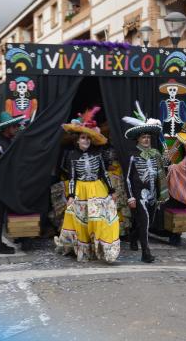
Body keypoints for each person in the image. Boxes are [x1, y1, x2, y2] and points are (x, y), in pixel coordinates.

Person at [55, 108, 120, 262]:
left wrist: (111, 191)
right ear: (77, 140)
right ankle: (85, 251)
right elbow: (72, 178)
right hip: (81, 190)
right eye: (83, 138)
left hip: (97, 188)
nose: (86, 141)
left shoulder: (97, 154)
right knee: (82, 222)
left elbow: (104, 173)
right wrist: (71, 195)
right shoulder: (72, 156)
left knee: (101, 219)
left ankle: (106, 251)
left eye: (88, 138)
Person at [122, 108, 166, 263]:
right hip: (140, 194)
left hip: (154, 193)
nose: (146, 139)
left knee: (146, 223)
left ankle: (134, 237)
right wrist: (130, 197)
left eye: (148, 137)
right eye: (143, 137)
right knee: (145, 220)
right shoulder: (133, 156)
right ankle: (145, 253)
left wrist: (163, 192)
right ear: (138, 140)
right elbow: (126, 178)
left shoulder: (156, 154)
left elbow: (161, 175)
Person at [0, 112, 27, 254]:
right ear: (6, 128)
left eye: (16, 125)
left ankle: (18, 237)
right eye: (13, 126)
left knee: (9, 211)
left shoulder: (6, 140)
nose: (16, 128)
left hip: (5, 184)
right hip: (1, 185)